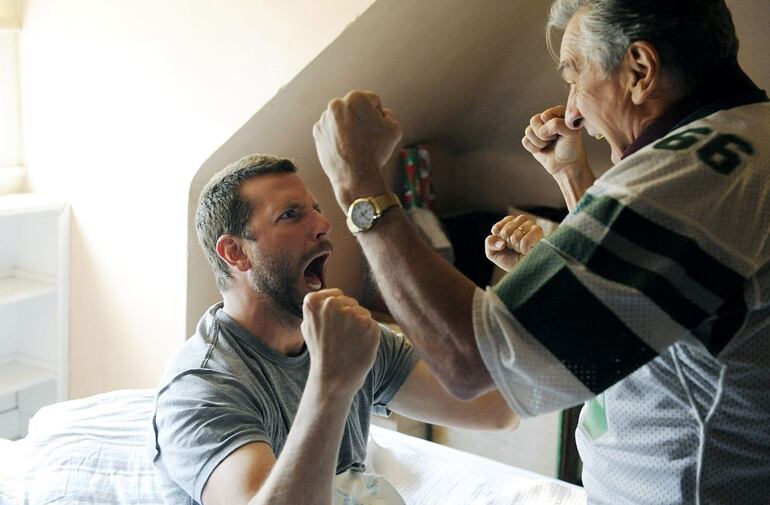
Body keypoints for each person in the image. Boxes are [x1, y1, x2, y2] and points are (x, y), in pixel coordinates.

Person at [311, 0, 770, 503]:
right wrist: (576, 181)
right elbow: (638, 294)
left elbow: (472, 363)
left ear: (639, 70)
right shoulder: (746, 137)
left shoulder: (680, 180)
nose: (572, 110)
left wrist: (360, 187)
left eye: (576, 77)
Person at [148, 154, 523, 505]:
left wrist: (527, 283)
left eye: (317, 210)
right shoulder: (202, 387)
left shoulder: (350, 338)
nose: (324, 225)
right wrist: (333, 380)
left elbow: (497, 410)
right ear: (235, 252)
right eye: (291, 215)